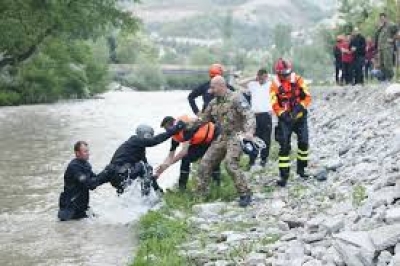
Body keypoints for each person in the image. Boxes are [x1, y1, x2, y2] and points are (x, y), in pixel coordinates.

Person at [197, 75, 256, 207]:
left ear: (221, 85)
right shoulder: (213, 103)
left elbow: (249, 115)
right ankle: (201, 195)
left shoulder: (236, 98)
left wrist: (249, 132)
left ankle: (245, 193)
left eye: (212, 87)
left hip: (237, 135)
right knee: (205, 163)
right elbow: (202, 120)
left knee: (230, 164)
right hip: (222, 137)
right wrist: (182, 126)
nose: (210, 90)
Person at [97, 123, 185, 194]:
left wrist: (159, 192)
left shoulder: (138, 150)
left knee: (146, 169)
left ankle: (147, 198)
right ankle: (145, 198)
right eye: (149, 135)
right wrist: (175, 129)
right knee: (145, 167)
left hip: (119, 179)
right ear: (143, 134)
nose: (149, 138)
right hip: (120, 175)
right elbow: (154, 141)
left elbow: (149, 175)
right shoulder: (135, 140)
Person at [270, 58, 311, 187]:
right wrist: (283, 114)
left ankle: (301, 169)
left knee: (304, 143)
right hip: (285, 119)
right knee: (284, 147)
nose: (286, 76)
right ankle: (284, 176)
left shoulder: (299, 80)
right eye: (283, 74)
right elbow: (274, 103)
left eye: (287, 73)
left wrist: (300, 107)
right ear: (278, 73)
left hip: (299, 117)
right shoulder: (274, 85)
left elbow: (308, 97)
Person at [156, 115, 221, 191]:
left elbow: (184, 151)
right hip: (200, 142)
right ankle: (182, 189)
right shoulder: (174, 137)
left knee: (213, 159)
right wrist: (161, 169)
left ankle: (217, 185)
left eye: (167, 129)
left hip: (214, 136)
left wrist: (169, 164)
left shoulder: (185, 128)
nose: (167, 132)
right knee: (186, 160)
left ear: (173, 124)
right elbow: (170, 156)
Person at [58, 141, 110, 221]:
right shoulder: (74, 167)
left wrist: (107, 173)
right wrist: (105, 174)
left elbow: (95, 181)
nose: (88, 153)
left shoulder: (86, 165)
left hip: (81, 208)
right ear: (77, 153)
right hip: (71, 211)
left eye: (88, 151)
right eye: (85, 151)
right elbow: (89, 184)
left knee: (100, 220)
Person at [242, 68, 273, 169]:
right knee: (252, 137)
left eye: (263, 77)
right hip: (254, 115)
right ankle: (252, 159)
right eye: (259, 77)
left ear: (266, 76)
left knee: (266, 138)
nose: (260, 79)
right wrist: (253, 78)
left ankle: (264, 159)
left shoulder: (270, 85)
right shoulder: (253, 85)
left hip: (266, 115)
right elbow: (240, 83)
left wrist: (269, 78)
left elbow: (279, 83)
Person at [375, 12, 398, 81]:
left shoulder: (391, 25)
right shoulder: (381, 26)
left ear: (386, 18)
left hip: (388, 47)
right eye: (380, 19)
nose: (382, 20)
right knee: (381, 64)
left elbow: (398, 33)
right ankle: (384, 78)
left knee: (388, 63)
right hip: (381, 48)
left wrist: (393, 39)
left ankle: (390, 78)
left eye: (383, 18)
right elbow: (377, 36)